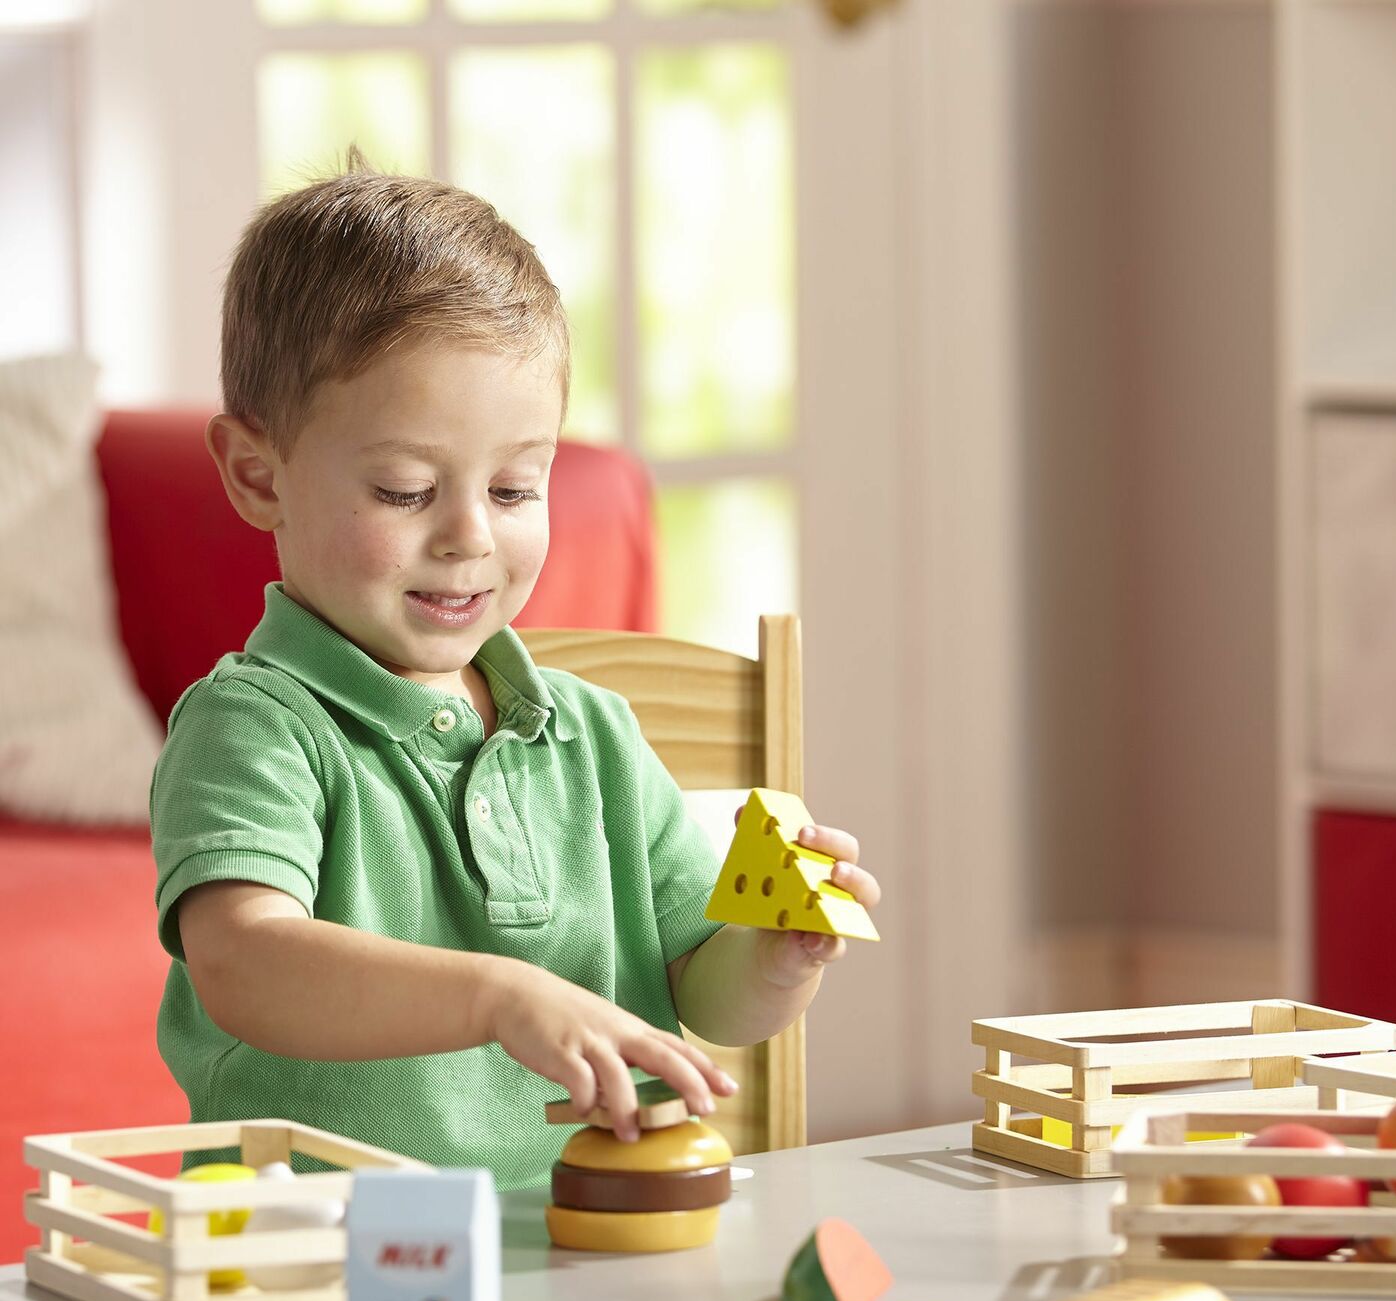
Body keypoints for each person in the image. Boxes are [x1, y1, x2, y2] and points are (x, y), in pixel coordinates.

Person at [150, 148, 880, 1189]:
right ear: (259, 474)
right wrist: (499, 994)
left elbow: (705, 995)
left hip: (590, 1246)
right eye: (405, 491)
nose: (466, 538)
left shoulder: (593, 735)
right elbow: (245, 964)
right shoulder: (254, 725)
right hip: (332, 1268)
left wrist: (776, 953)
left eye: (514, 488)